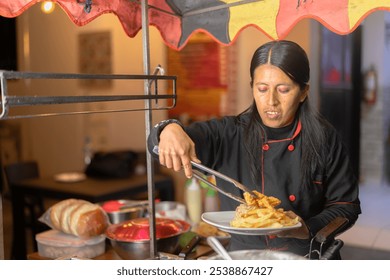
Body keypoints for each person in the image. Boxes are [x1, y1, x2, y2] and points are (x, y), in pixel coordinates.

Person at [148, 40, 361, 258]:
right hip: (245, 258)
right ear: (252, 87)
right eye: (262, 89)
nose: (271, 101)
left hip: (308, 256)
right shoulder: (227, 133)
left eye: (284, 89)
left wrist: (307, 228)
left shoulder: (324, 138)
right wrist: (168, 129)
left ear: (303, 92)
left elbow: (346, 206)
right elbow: (156, 145)